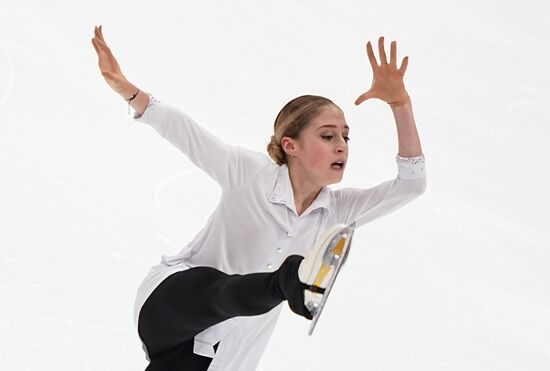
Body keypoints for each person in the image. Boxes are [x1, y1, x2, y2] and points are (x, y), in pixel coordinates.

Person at [91, 25, 427, 371]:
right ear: (289, 145)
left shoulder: (338, 211)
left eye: (345, 136)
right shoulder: (250, 173)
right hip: (171, 306)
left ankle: (292, 281)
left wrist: (400, 104)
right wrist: (127, 90)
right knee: (218, 291)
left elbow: (411, 185)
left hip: (220, 358)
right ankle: (293, 279)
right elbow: (184, 131)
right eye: (327, 136)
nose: (341, 144)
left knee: (228, 300)